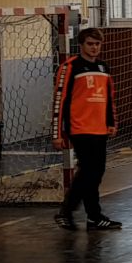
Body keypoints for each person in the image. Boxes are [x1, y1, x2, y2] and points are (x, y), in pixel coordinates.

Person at [52, 28, 121, 231]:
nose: (94, 48)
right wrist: (57, 133)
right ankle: (67, 211)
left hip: (100, 128)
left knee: (96, 173)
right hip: (80, 128)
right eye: (90, 44)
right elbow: (60, 101)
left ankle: (93, 217)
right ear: (81, 45)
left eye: (97, 44)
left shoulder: (103, 67)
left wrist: (111, 123)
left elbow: (109, 98)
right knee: (88, 171)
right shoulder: (70, 67)